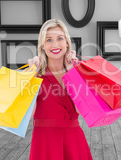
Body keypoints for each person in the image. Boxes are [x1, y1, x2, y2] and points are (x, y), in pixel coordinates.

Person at [27, 19, 93, 160]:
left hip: (73, 141)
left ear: (67, 43)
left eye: (60, 38)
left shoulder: (76, 72)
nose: (55, 44)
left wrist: (72, 73)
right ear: (43, 46)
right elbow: (29, 114)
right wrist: (30, 76)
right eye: (49, 40)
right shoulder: (35, 74)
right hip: (44, 142)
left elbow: (80, 111)